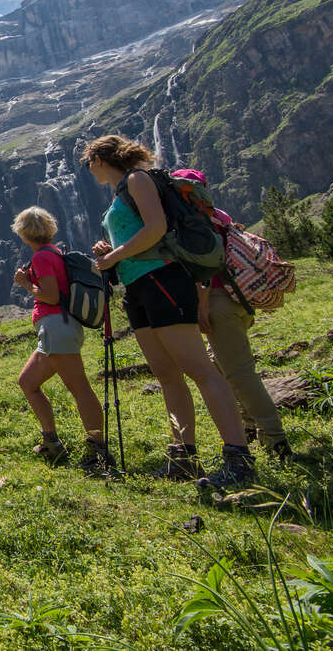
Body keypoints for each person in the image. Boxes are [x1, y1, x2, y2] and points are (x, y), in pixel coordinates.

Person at [83, 135, 255, 490]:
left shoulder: (137, 179)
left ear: (101, 158)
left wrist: (113, 257)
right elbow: (138, 233)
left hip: (162, 279)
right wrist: (110, 249)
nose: (88, 169)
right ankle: (183, 456)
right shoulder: (119, 194)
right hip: (138, 288)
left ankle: (238, 458)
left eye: (89, 162)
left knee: (199, 369)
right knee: (166, 374)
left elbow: (156, 228)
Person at [171, 169, 291, 459]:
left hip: (216, 300)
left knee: (239, 373)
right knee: (223, 367)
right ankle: (249, 426)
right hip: (240, 298)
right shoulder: (218, 215)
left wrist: (201, 306)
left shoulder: (192, 222)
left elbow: (204, 270)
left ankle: (275, 440)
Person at [10, 206, 116, 475]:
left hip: (56, 326)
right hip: (58, 328)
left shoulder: (42, 258)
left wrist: (25, 283)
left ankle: (97, 449)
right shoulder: (56, 252)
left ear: (24, 233)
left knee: (79, 387)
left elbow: (51, 295)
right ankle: (52, 442)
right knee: (27, 382)